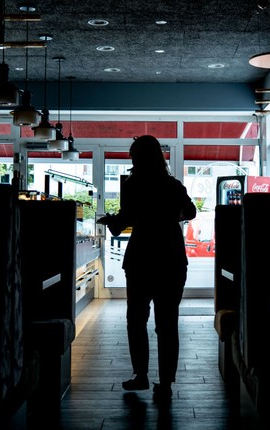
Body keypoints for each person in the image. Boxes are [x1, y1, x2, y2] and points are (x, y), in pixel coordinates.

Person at [97, 135, 197, 404]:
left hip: (141, 259)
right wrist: (169, 217)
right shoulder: (173, 185)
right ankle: (165, 383)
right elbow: (191, 212)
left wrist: (111, 222)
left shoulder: (133, 185)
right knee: (167, 323)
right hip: (172, 259)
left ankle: (140, 374)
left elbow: (126, 219)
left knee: (136, 320)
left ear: (137, 158)